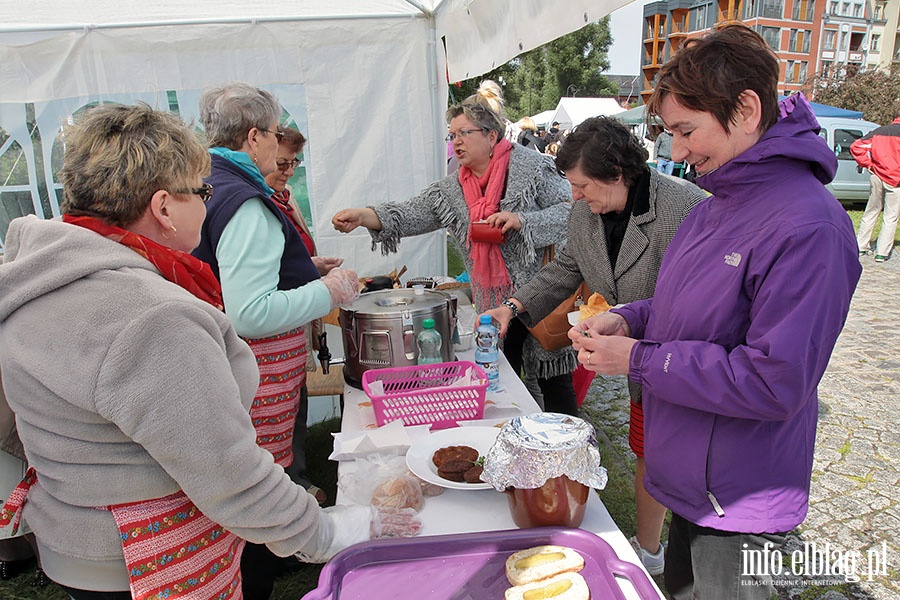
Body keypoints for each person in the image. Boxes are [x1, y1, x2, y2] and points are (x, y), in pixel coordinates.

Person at [0, 103, 418, 599]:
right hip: (148, 557)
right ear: (163, 208)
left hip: (77, 543)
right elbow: (229, 474)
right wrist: (334, 531)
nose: (208, 204)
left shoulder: (39, 276)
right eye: (201, 192)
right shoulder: (152, 318)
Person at [570, 25, 860, 599]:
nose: (676, 151)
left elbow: (775, 381)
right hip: (690, 481)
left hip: (741, 497)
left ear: (747, 109)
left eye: (686, 131)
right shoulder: (717, 206)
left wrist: (639, 360)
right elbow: (681, 306)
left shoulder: (809, 226)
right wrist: (629, 319)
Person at [482, 117, 705, 567]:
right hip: (635, 359)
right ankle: (651, 550)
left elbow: (703, 298)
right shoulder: (586, 212)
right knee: (648, 449)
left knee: (685, 456)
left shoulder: (687, 207)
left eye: (582, 185)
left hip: (682, 358)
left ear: (617, 172)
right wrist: (513, 305)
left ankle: (684, 543)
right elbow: (566, 267)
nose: (575, 196)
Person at [190, 83, 357, 600]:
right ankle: (255, 577)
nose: (278, 144)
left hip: (233, 368)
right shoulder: (245, 201)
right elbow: (251, 312)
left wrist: (303, 271)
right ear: (255, 136)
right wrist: (328, 290)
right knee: (257, 485)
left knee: (239, 482)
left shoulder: (209, 181)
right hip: (257, 375)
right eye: (275, 132)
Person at [333, 94, 574, 408]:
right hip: (493, 302)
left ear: (491, 136)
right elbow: (410, 213)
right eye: (452, 135)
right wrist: (366, 215)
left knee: (554, 383)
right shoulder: (450, 190)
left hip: (543, 295)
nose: (456, 142)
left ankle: (570, 441)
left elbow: (573, 212)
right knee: (500, 383)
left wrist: (522, 221)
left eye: (464, 133)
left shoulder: (535, 169)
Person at [263, 126, 331, 503]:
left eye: (294, 163)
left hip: (291, 321)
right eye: (282, 162)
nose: (289, 171)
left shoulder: (285, 199)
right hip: (271, 329)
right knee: (279, 413)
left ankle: (296, 479)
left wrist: (311, 266)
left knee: (295, 402)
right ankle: (286, 491)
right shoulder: (260, 206)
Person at [850, 107, 900, 262]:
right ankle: (882, 252)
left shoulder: (879, 131)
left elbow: (855, 147)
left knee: (871, 211)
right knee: (890, 216)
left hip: (877, 174)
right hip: (896, 179)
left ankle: (861, 245)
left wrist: (868, 164)